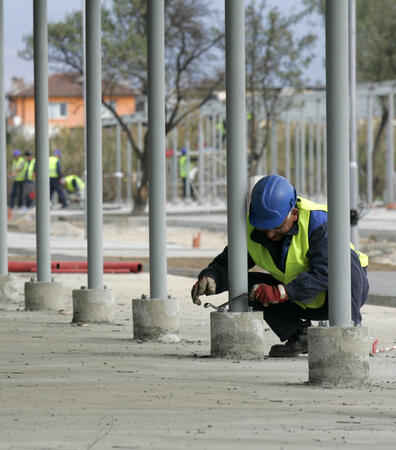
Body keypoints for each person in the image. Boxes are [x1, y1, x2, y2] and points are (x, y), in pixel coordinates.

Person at [191, 174, 369, 358]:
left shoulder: (318, 223)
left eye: (276, 227)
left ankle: (350, 334)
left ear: (294, 213)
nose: (269, 234)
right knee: (245, 285)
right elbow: (230, 263)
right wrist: (211, 277)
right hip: (297, 296)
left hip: (337, 297)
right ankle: (300, 336)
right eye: (264, 227)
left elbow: (326, 272)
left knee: (345, 262)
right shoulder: (251, 228)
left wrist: (282, 292)